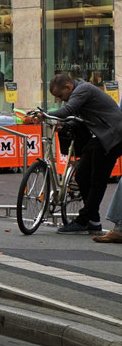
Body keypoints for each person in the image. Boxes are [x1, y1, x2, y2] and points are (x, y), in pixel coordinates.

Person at [43, 73, 122, 234]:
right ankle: (93, 221)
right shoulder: (78, 93)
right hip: (102, 135)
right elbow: (76, 117)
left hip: (113, 135)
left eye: (60, 95)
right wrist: (64, 125)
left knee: (97, 180)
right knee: (82, 175)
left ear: (68, 86)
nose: (60, 100)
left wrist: (44, 114)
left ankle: (84, 220)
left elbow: (68, 110)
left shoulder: (83, 89)